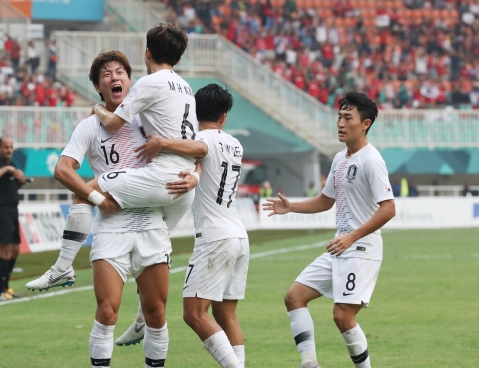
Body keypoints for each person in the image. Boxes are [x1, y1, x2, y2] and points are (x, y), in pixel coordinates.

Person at [25, 50, 197, 368]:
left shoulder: (150, 118)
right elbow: (63, 169)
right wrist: (96, 200)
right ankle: (64, 268)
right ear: (98, 88)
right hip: (111, 225)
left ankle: (63, 266)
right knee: (107, 311)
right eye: (106, 75)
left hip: (150, 221)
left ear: (130, 82)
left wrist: (195, 175)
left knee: (156, 311)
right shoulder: (90, 126)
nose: (115, 77)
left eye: (120, 72)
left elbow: (193, 150)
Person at [263, 91, 396, 368]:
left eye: (348, 118)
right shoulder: (339, 159)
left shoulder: (371, 160)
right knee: (294, 297)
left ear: (366, 123)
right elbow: (325, 201)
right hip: (341, 246)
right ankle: (309, 363)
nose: (341, 123)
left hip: (361, 248)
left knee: (342, 316)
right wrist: (292, 207)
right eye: (339, 117)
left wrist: (352, 236)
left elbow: (388, 209)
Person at [133, 84, 248, 367]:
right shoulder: (236, 143)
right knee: (225, 315)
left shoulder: (198, 138)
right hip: (238, 235)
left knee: (193, 313)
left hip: (214, 237)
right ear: (224, 116)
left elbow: (200, 147)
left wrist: (163, 143)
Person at [74, 24, 198, 235]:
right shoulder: (187, 88)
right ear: (177, 59)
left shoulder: (148, 83)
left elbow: (112, 123)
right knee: (155, 242)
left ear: (147, 52)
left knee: (84, 193)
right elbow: (200, 146)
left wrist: (96, 107)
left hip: (162, 178)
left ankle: (64, 264)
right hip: (187, 183)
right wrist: (196, 176)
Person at [0, 136, 27, 301]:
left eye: (11, 147)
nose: (9, 150)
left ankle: (6, 286)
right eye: (6, 147)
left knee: (15, 250)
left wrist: (21, 179)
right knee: (5, 251)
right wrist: (7, 170)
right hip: (2, 210)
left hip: (13, 211)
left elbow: (16, 185)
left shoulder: (13, 164)